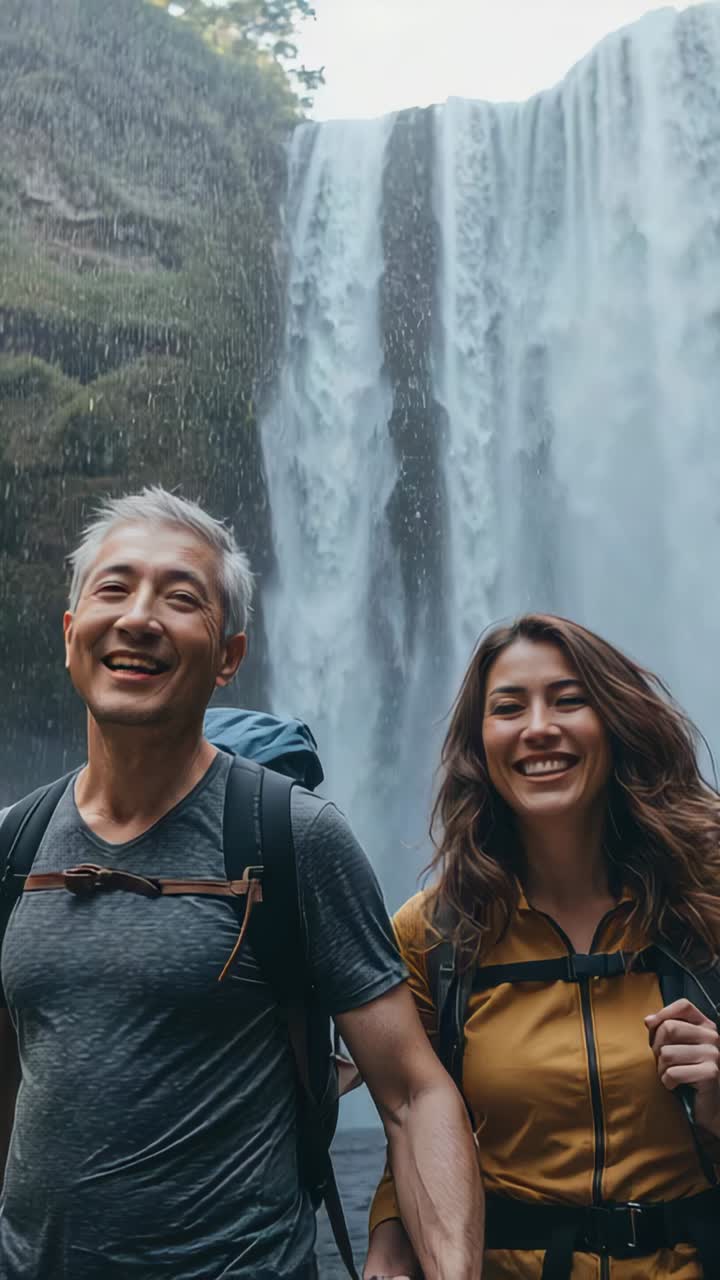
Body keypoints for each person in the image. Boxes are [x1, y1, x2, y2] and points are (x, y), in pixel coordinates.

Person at [0, 487, 482, 1280]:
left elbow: (411, 1094)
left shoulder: (292, 837)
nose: (139, 617)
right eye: (114, 589)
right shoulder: (17, 842)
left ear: (229, 656)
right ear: (69, 632)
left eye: (181, 597)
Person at [366, 613, 720, 1280]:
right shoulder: (431, 935)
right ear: (480, 742)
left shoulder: (707, 903)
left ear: (616, 723)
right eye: (508, 708)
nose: (538, 728)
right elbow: (409, 1118)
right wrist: (390, 1241)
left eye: (568, 699)